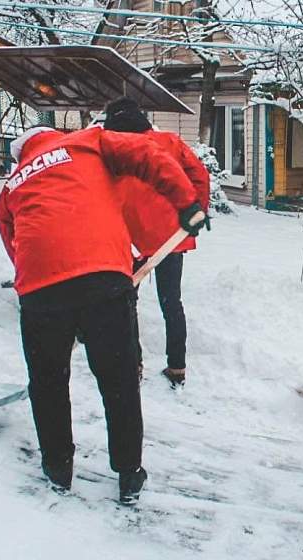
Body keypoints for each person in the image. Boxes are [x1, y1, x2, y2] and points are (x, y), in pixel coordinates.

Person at [0, 124, 207, 504]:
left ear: (22, 155)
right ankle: (128, 471)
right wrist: (187, 202)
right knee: (118, 380)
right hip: (103, 277)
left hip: (40, 290)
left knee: (48, 382)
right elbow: (148, 156)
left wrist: (41, 276)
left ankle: (58, 468)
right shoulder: (87, 140)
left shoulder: (12, 184)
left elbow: (10, 233)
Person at [103, 97, 211, 389]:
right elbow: (200, 175)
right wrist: (197, 210)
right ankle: (177, 367)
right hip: (170, 237)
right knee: (171, 302)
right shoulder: (168, 142)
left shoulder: (109, 148)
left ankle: (133, 364)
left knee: (127, 303)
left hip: (129, 239)